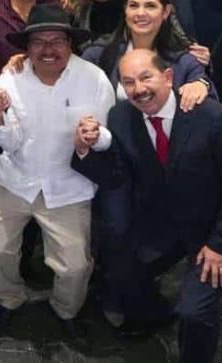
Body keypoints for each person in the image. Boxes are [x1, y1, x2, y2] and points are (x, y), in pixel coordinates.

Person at [72, 49, 222, 358]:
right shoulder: (122, 117)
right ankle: (157, 316)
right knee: (121, 269)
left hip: (209, 230)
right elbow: (117, 176)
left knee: (194, 313)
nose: (138, 89)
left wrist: (218, 244)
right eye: (128, 82)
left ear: (168, 77)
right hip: (162, 224)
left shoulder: (210, 116)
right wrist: (85, 151)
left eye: (145, 77)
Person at [0, 5, 116, 337]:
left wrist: (95, 137)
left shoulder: (93, 79)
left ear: (70, 43)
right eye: (39, 41)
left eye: (57, 40)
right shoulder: (11, 76)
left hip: (68, 186)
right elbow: (10, 142)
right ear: (26, 47)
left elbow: (109, 136)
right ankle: (8, 300)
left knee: (75, 266)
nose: (48, 49)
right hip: (15, 178)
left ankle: (65, 311)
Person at [81, 0, 214, 108]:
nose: (140, 13)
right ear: (125, 10)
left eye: (150, 6)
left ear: (166, 12)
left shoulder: (184, 61)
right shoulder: (97, 55)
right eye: (133, 6)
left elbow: (210, 105)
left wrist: (202, 85)